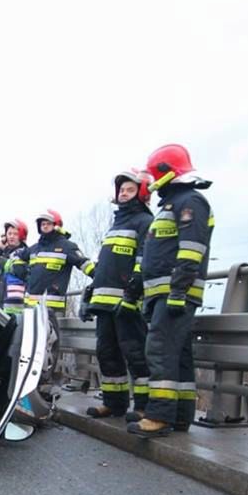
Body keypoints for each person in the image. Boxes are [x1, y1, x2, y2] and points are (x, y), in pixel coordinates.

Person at [128, 144, 214, 438]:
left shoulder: (190, 202)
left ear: (166, 172)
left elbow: (191, 252)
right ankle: (179, 416)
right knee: (178, 356)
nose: (150, 183)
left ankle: (159, 416)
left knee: (160, 351)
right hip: (163, 294)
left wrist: (177, 292)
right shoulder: (172, 205)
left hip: (175, 294)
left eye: (153, 175)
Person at [84, 171, 154, 419]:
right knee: (107, 354)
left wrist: (132, 294)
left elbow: (144, 260)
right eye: (121, 190)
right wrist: (89, 294)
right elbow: (106, 266)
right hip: (104, 305)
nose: (123, 193)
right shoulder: (117, 224)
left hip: (127, 303)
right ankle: (114, 404)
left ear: (141, 193)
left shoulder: (144, 221)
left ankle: (145, 407)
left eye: (129, 190)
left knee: (135, 354)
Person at [7, 210, 95, 389]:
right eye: (41, 224)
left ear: (56, 225)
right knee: (29, 345)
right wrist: (20, 270)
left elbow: (85, 264)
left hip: (51, 308)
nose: (44, 226)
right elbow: (15, 256)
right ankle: (30, 382)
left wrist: (101, 279)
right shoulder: (34, 248)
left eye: (47, 223)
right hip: (31, 308)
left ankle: (45, 383)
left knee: (48, 345)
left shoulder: (66, 246)